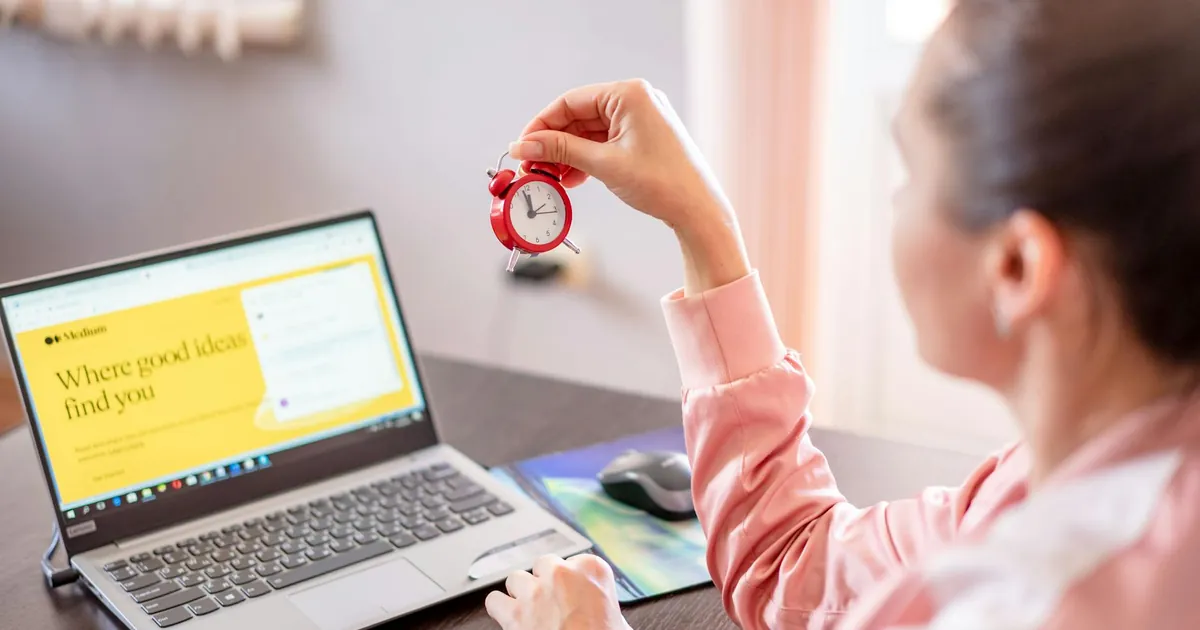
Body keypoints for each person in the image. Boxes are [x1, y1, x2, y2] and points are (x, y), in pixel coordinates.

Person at [483, 0, 1200, 628]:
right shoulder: (1067, 482)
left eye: (912, 172)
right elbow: (795, 571)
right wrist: (703, 222)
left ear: (1016, 267)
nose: (895, 203)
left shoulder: (1040, 601)